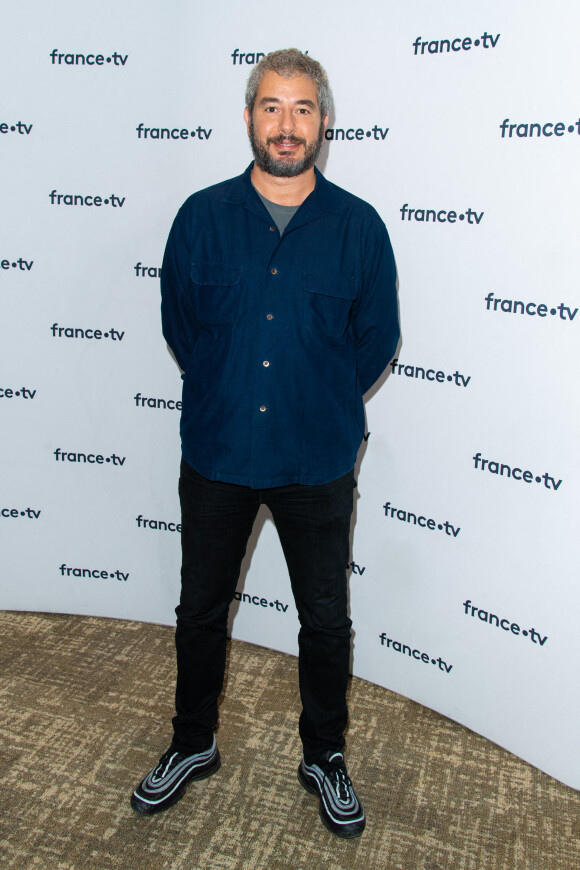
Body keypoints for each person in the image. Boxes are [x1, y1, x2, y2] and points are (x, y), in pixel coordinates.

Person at [131, 48, 399, 839]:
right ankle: (192, 742)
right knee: (200, 610)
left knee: (324, 617)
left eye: (303, 109)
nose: (287, 125)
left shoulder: (359, 227)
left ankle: (325, 755)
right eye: (273, 107)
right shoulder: (200, 217)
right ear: (250, 117)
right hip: (216, 450)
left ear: (324, 123)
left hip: (316, 457)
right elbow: (183, 326)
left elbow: (375, 339)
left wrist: (314, 399)